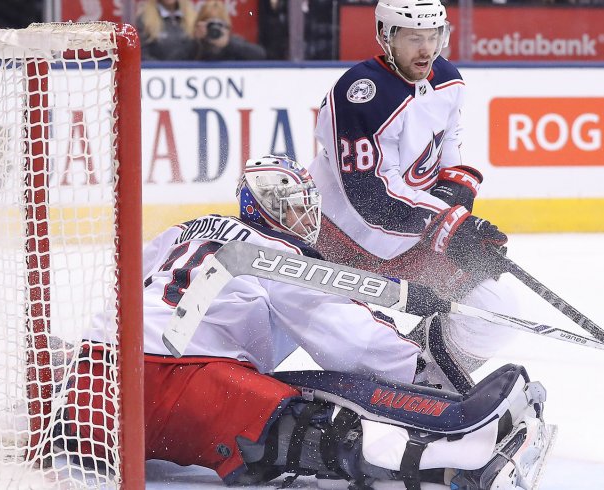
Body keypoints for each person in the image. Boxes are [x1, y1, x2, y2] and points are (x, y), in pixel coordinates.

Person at [59, 155, 554, 489]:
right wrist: (420, 372)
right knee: (313, 426)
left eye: (303, 205)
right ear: (262, 207)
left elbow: (127, 289)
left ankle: (70, 417)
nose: (300, 216)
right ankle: (453, 470)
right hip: (186, 385)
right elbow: (345, 337)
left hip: (92, 384)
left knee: (261, 388)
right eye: (290, 206)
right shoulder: (274, 251)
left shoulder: (180, 232)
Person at [307, 0, 522, 394]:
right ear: (386, 38)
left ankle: (428, 382)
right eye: (413, 38)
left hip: (409, 236)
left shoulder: (449, 80)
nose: (426, 49)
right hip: (335, 242)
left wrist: (456, 199)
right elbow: (370, 199)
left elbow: (449, 145)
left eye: (433, 36)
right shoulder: (361, 94)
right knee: (355, 347)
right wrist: (450, 225)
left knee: (496, 308)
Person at [192, 0, 267, 61]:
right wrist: (197, 41)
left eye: (218, 24)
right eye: (210, 24)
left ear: (226, 25)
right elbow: (181, 56)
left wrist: (228, 44)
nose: (214, 29)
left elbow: (260, 55)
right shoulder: (194, 44)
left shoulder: (234, 43)